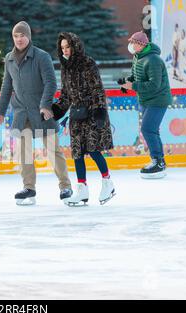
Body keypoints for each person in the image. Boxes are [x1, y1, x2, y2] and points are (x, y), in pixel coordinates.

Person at [0, 21, 72, 205]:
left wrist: (45, 105)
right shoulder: (9, 58)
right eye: (16, 36)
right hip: (21, 113)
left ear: (28, 36)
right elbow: (6, 87)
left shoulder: (41, 56)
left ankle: (65, 186)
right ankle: (29, 188)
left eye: (22, 35)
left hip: (42, 112)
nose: (19, 39)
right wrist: (0, 111)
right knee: (24, 152)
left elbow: (51, 83)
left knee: (53, 150)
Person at [53, 32, 115, 206]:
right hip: (76, 115)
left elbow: (97, 88)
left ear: (75, 46)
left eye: (68, 47)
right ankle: (82, 190)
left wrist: (100, 110)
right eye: (62, 48)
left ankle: (107, 182)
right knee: (77, 153)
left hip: (92, 112)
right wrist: (56, 110)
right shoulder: (65, 67)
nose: (65, 51)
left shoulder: (87, 63)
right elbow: (65, 95)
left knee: (94, 149)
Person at [121, 31, 172, 179]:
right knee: (152, 130)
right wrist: (126, 82)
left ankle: (158, 161)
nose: (131, 45)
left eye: (133, 42)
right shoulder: (137, 57)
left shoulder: (154, 60)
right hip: (145, 100)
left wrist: (134, 86)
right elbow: (135, 75)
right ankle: (158, 160)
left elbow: (154, 85)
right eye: (131, 41)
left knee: (147, 129)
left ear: (141, 44)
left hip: (158, 99)